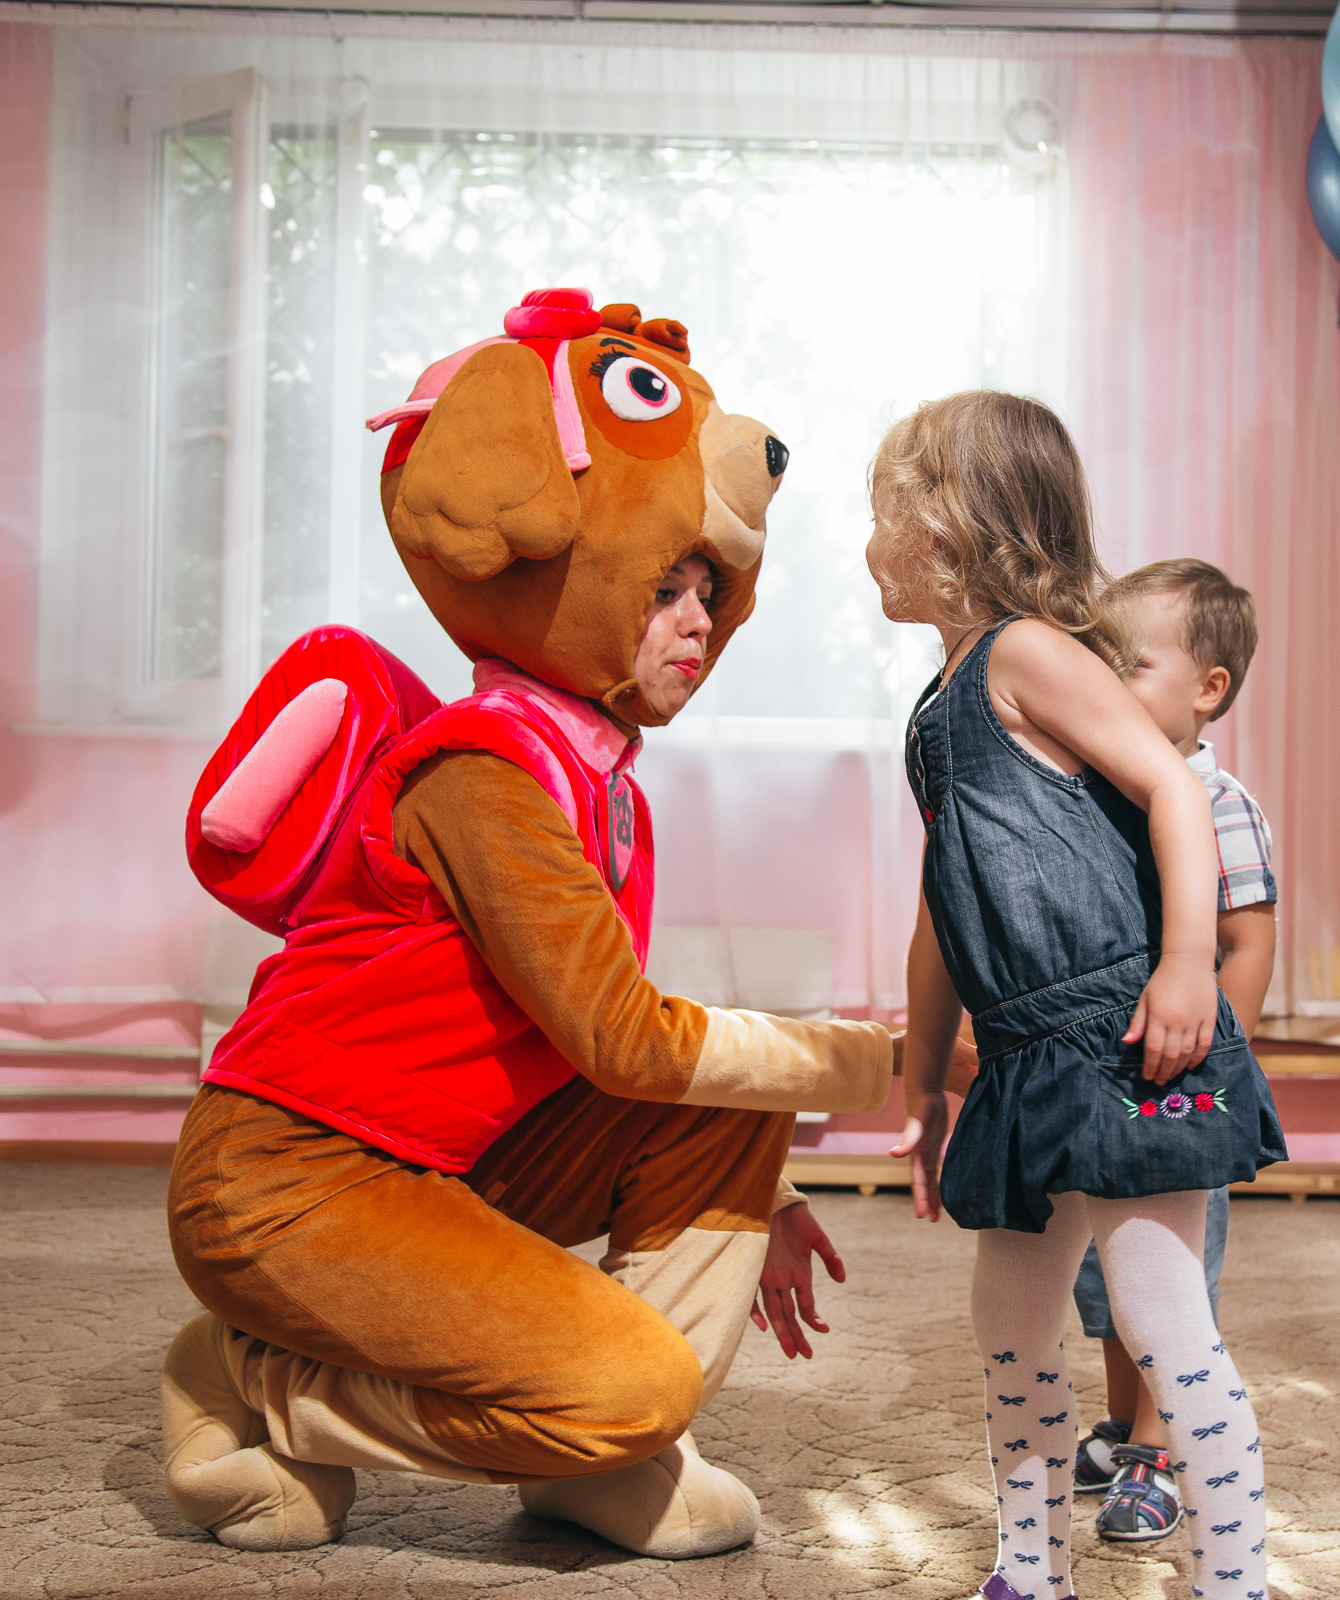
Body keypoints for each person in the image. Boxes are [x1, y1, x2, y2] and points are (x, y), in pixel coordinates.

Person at [161, 291, 920, 1562]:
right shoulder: (485, 772)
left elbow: (602, 1049)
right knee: (632, 1388)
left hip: (436, 1154)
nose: (696, 620)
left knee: (731, 1109)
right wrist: (884, 1059)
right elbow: (626, 1040)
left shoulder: (601, 781)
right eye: (663, 585)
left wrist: (764, 1176)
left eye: (708, 590)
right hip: (289, 1180)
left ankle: (599, 1466)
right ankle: (254, 1379)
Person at [872, 391, 1287, 1600]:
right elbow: (939, 913)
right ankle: (1028, 1564)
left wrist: (1186, 965)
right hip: (1022, 1058)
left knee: (1162, 1320)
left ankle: (1237, 1577)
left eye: (876, 515)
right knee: (1009, 1324)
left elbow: (1173, 788)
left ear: (942, 524)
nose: (865, 547)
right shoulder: (937, 704)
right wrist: (921, 1080)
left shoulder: (1026, 654)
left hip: (1120, 1039)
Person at [1066, 560, 1277, 1547]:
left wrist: (1209, 1060)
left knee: (1171, 1276)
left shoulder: (1214, 798)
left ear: (1207, 690)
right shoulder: (1099, 792)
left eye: (1131, 663)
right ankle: (1121, 1424)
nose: (1106, 680)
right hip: (1104, 1072)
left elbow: (1249, 938)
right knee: (1106, 1275)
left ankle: (1163, 1451)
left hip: (1182, 1083)